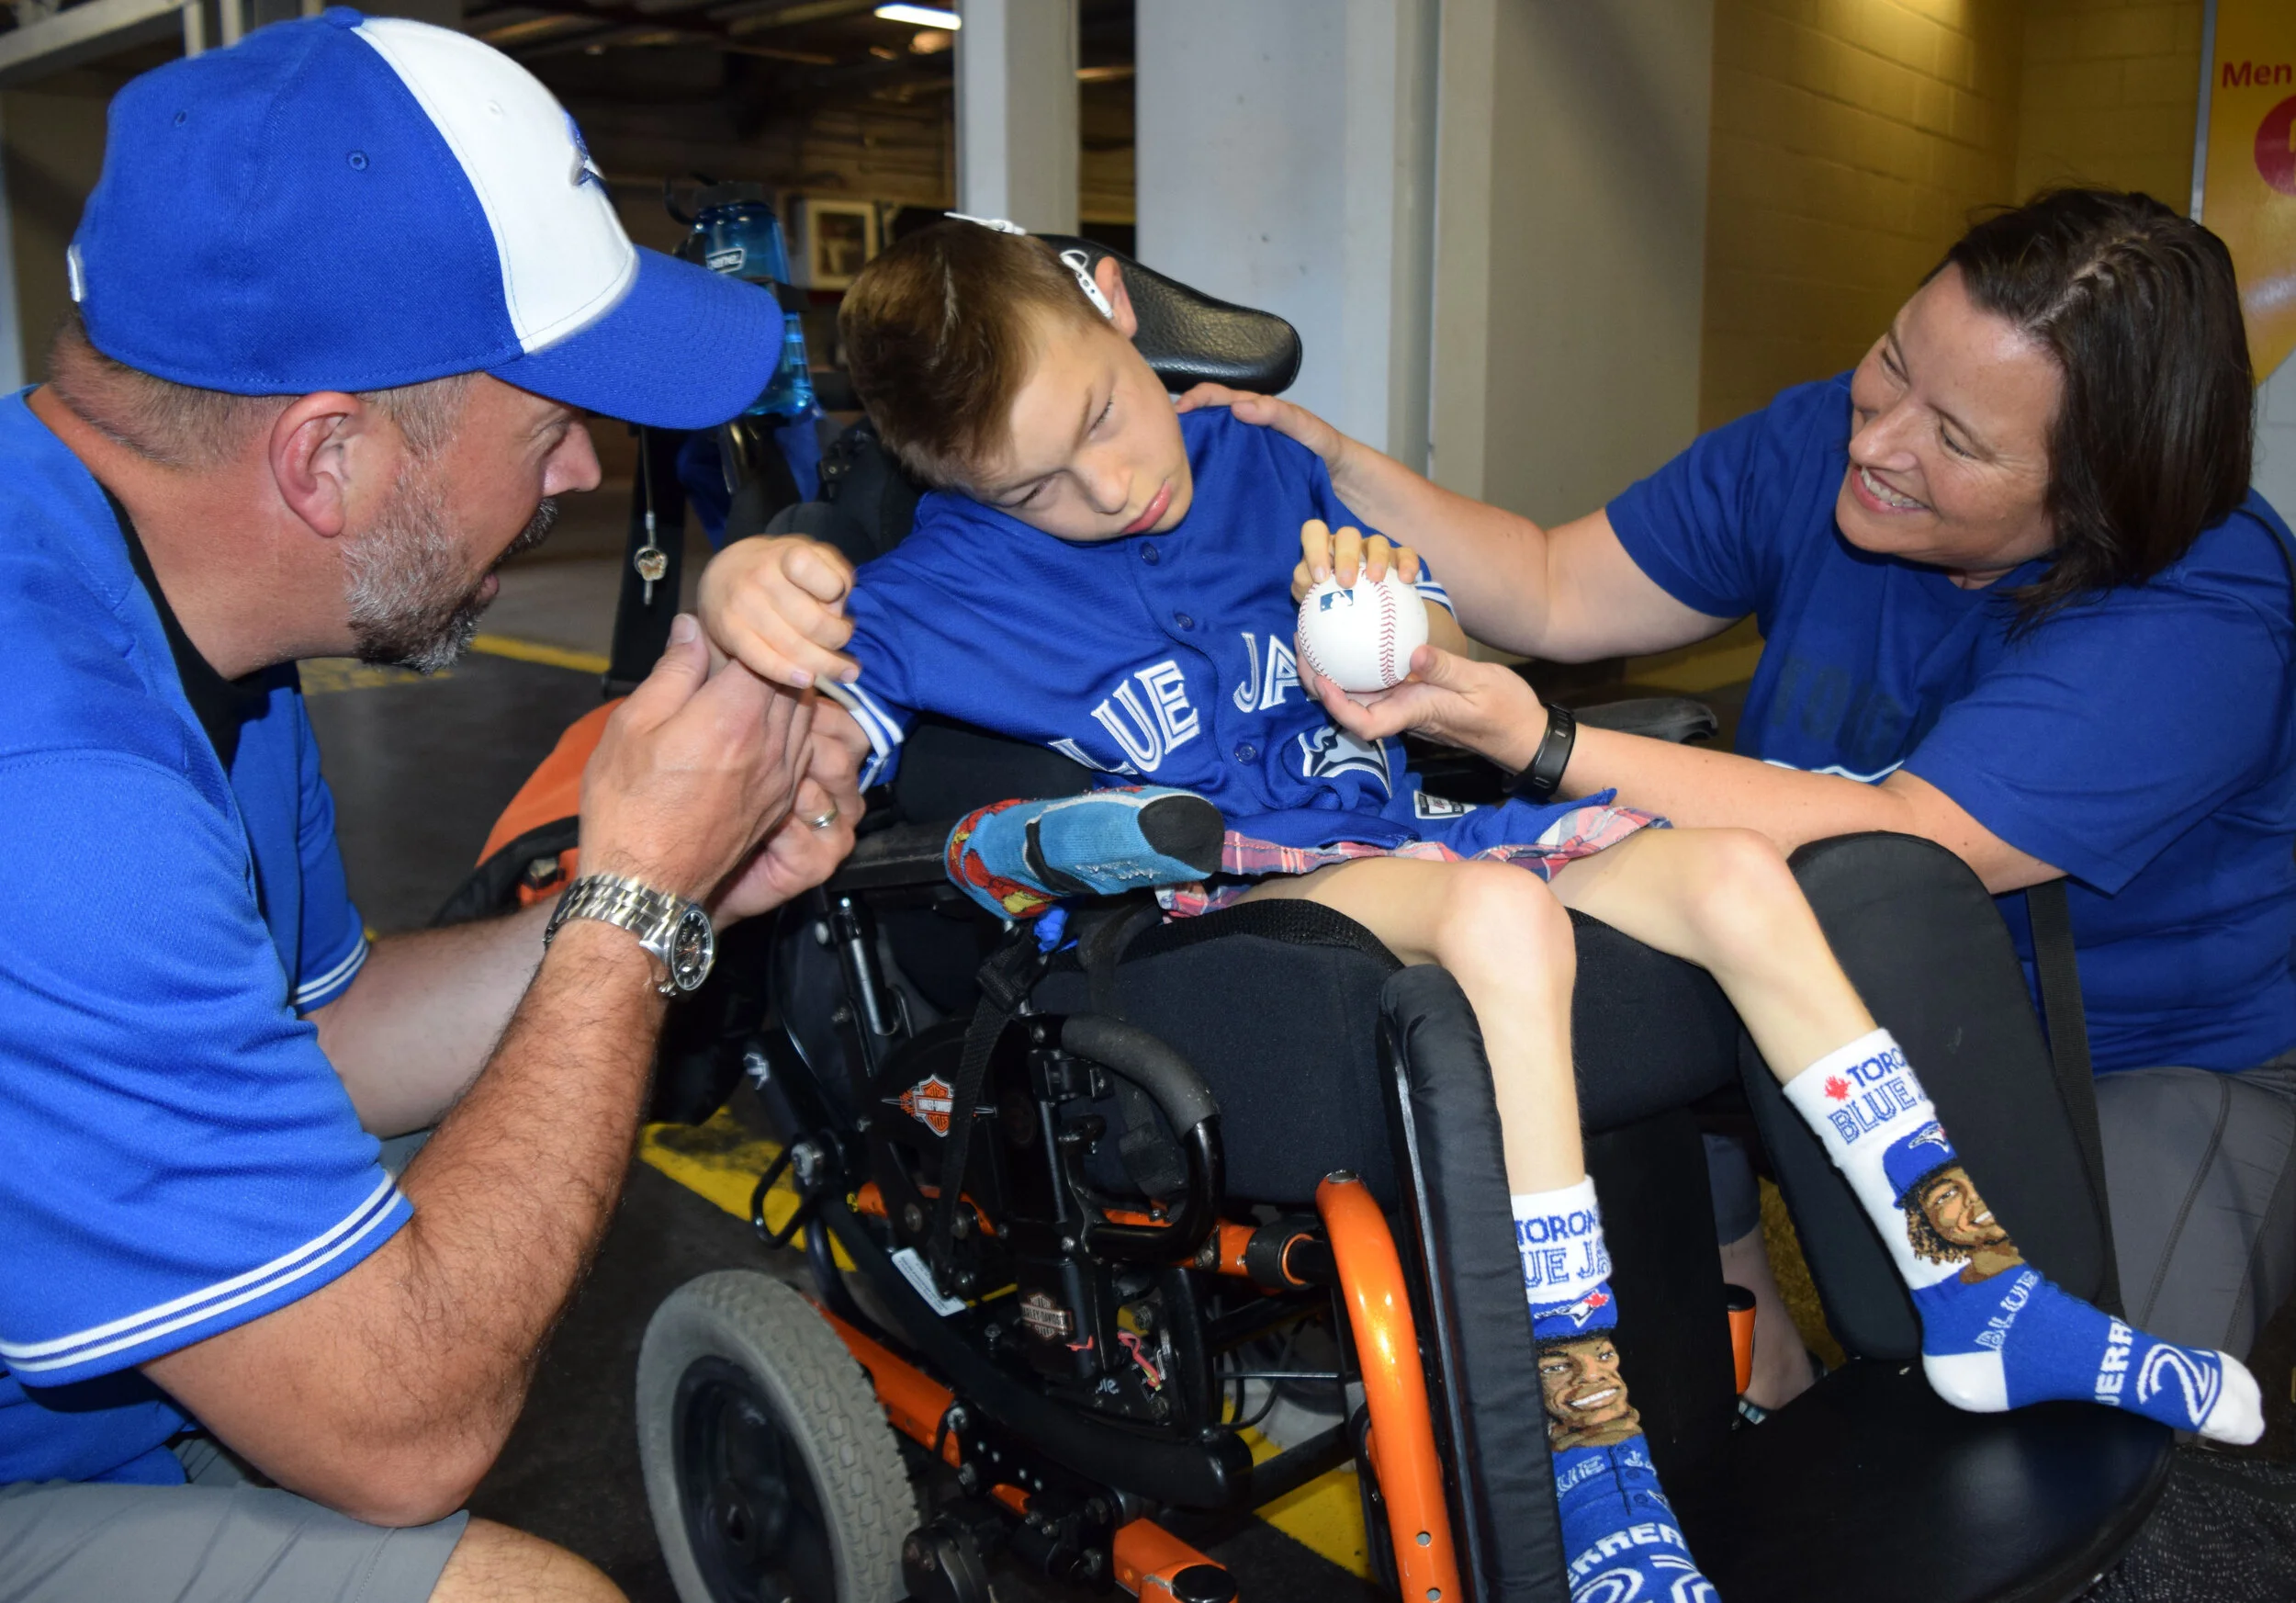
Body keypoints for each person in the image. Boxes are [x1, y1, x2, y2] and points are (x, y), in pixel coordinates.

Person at [698, 220, 2262, 1603]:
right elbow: (797, 737)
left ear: (1120, 310)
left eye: (1107, 417)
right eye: (1035, 482)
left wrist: (1389, 639)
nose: (1111, 484)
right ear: (948, 481)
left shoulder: (1252, 463)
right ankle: (1586, 1458)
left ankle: (1977, 1289)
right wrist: (736, 595)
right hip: (1226, 915)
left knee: (1728, 867)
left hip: (1404, 839)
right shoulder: (909, 606)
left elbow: (1462, 619)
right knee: (1511, 929)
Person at [0, 16, 861, 1603]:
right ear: (329, 459)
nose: (585, 477)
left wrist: (681, 871)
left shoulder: (163, 602)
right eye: (547, 426)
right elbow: (407, 1434)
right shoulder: (59, 795)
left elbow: (329, 1036)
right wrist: (634, 912)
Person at [1178, 186, 2296, 1381]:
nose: (1875, 442)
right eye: (1893, 361)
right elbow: (1554, 586)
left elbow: (1913, 847)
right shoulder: (1826, 442)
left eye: (1957, 441)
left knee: (2100, 1456)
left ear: (2096, 497)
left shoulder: (2200, 609)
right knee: (1615, 1117)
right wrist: (1337, 465)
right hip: (1815, 997)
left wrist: (1545, 744)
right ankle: (1755, 1393)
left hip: (2142, 1063)